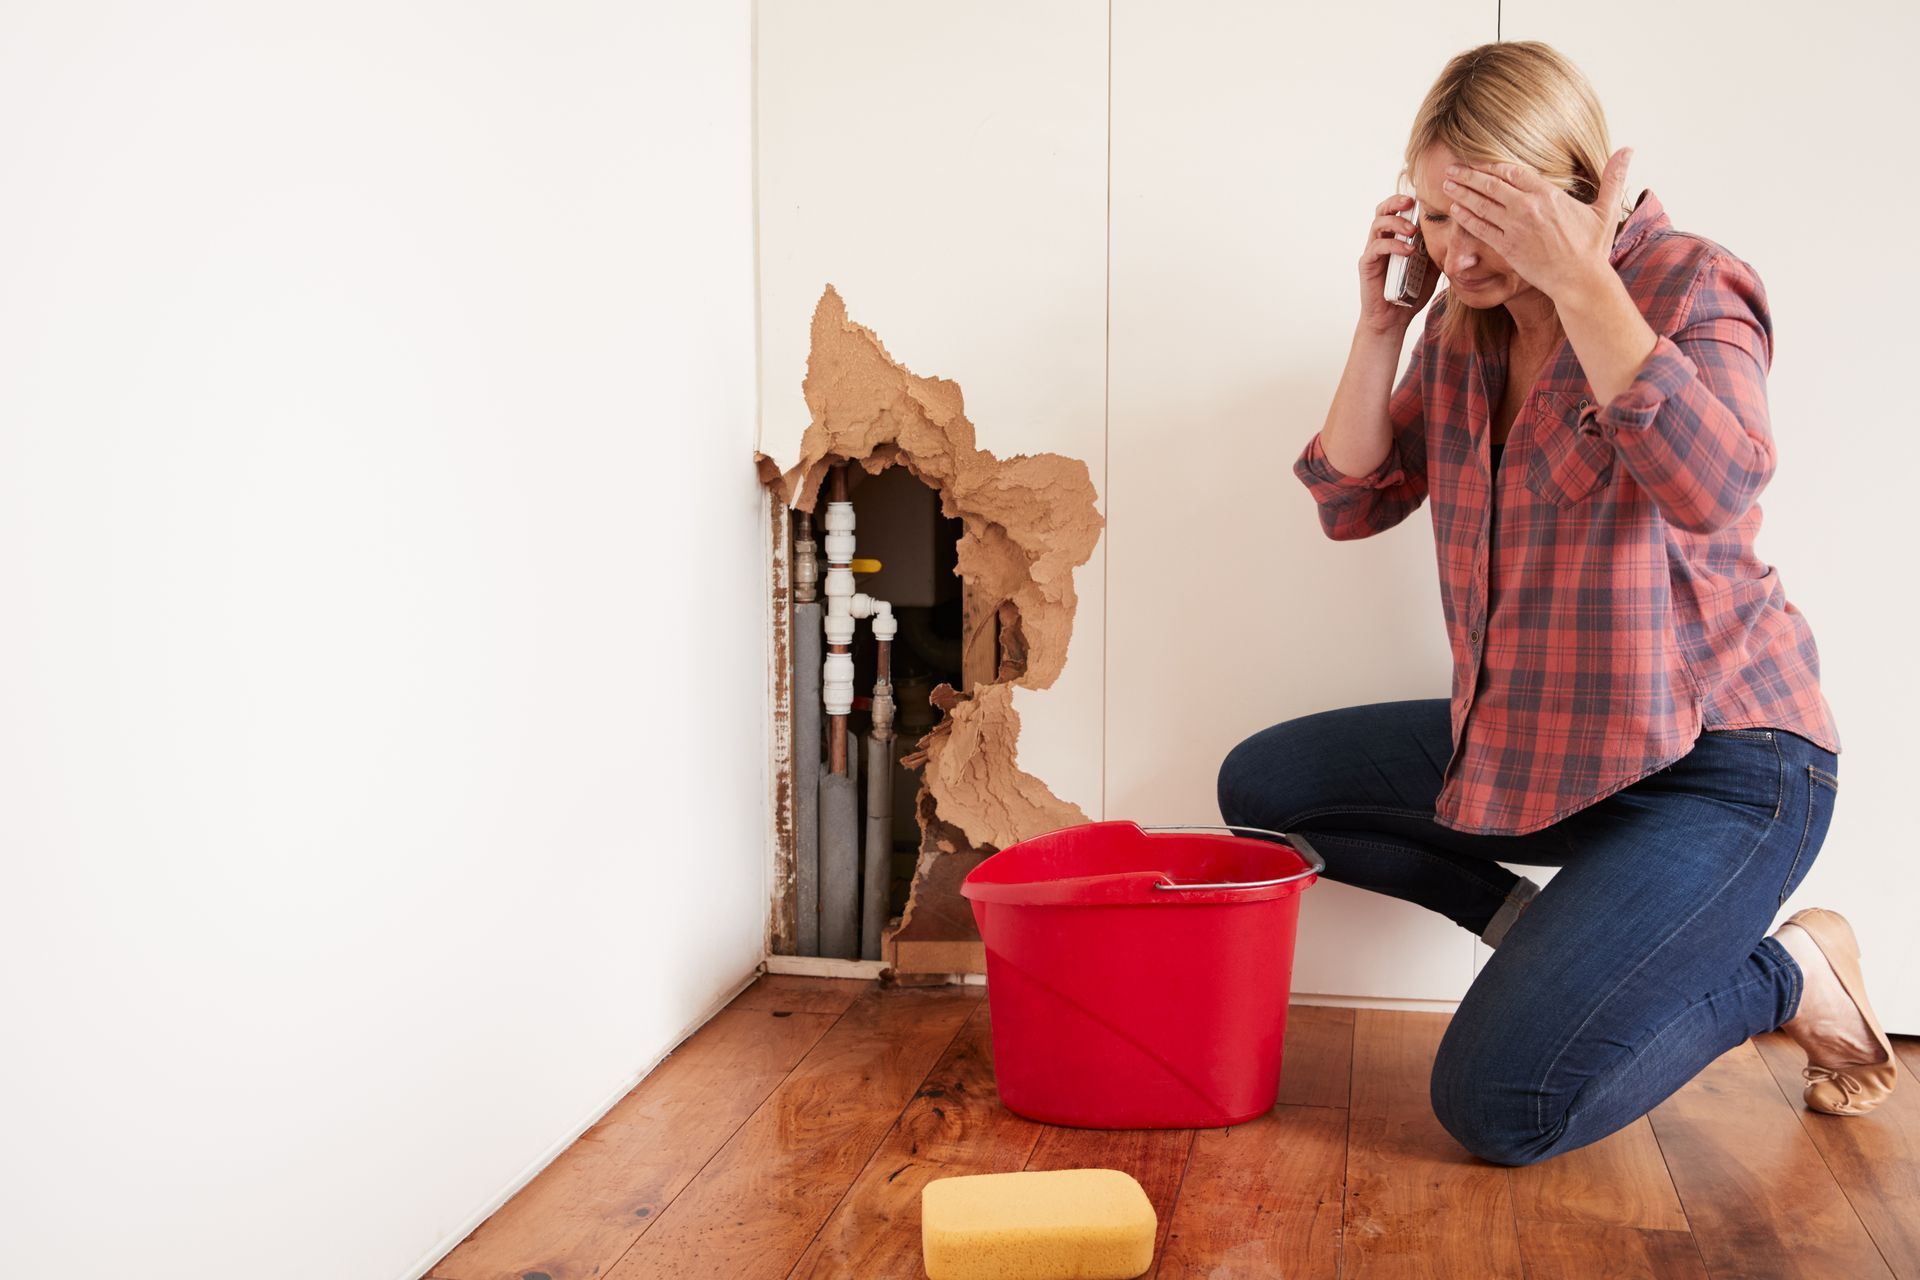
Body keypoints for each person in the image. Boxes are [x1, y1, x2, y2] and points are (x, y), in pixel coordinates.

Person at [1216, 41, 1894, 1167]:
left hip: (1727, 766)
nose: (1464, 249)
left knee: (1500, 1106)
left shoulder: (1688, 281)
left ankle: (1792, 973)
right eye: (1439, 215)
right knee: (1271, 789)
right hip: (1554, 744)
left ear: (1579, 189)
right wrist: (1383, 323)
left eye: (1496, 213)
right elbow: (1351, 499)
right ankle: (1548, 936)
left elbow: (1718, 482)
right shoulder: (1459, 325)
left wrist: (1586, 281)